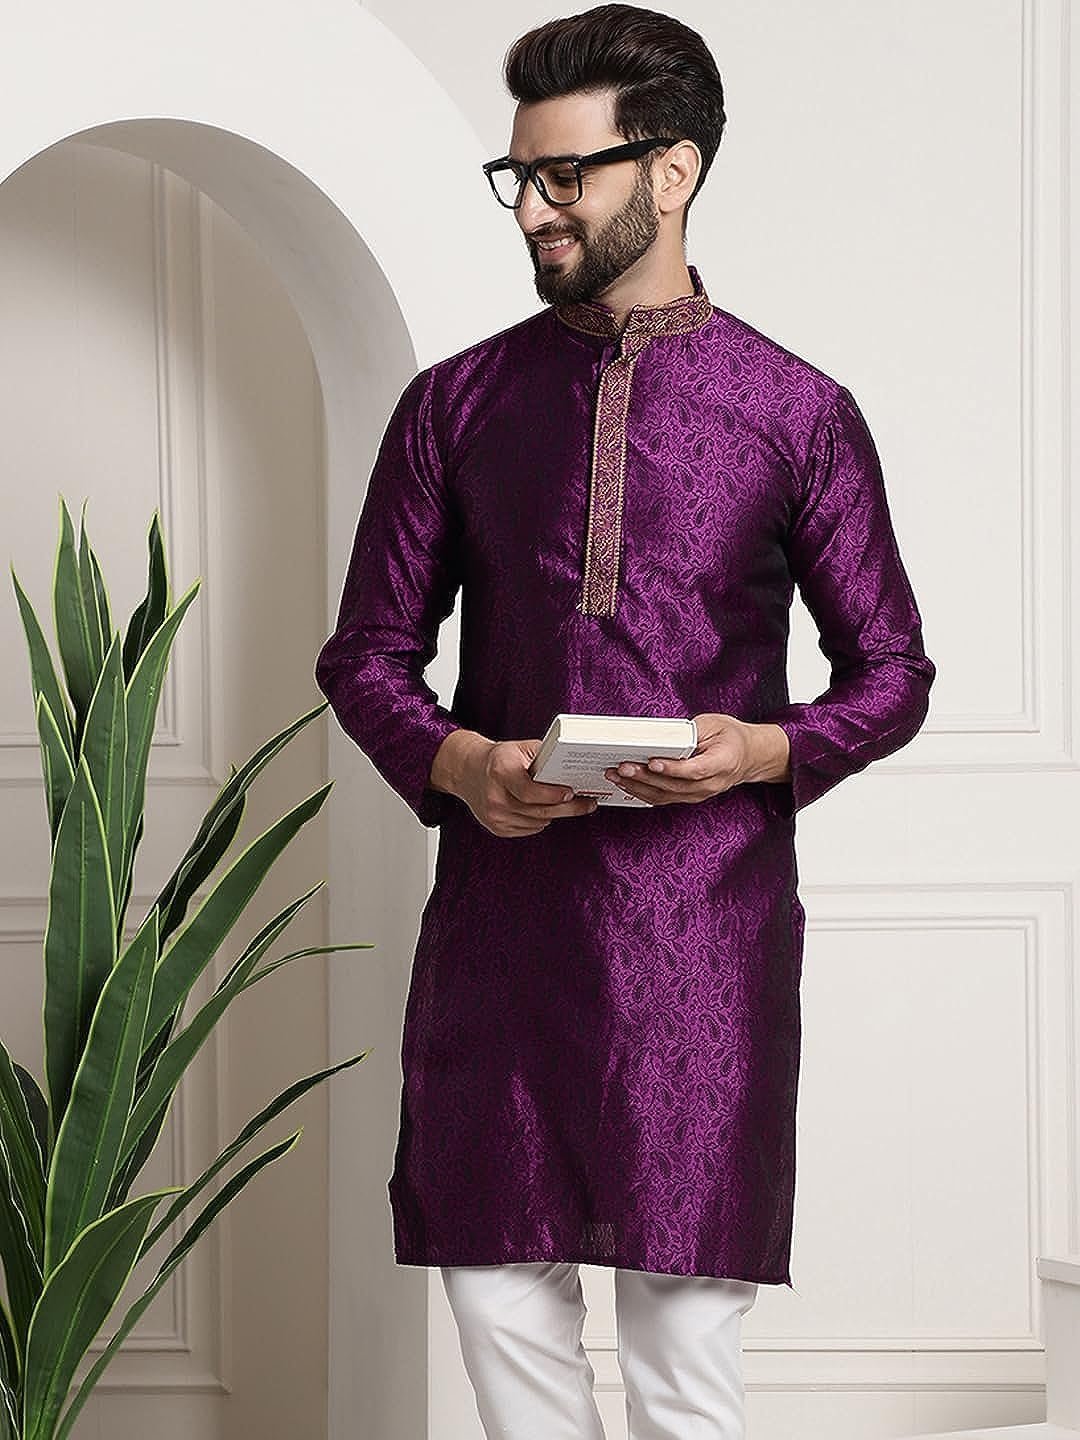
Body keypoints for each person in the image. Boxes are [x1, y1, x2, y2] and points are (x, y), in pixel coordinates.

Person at [314, 5, 937, 1436]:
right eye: (520, 178)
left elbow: (893, 671)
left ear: (673, 171)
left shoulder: (796, 412)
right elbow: (366, 655)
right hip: (504, 923)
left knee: (681, 1338)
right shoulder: (455, 406)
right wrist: (461, 761)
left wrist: (764, 749)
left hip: (701, 935)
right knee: (496, 1299)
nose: (535, 209)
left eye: (566, 176)